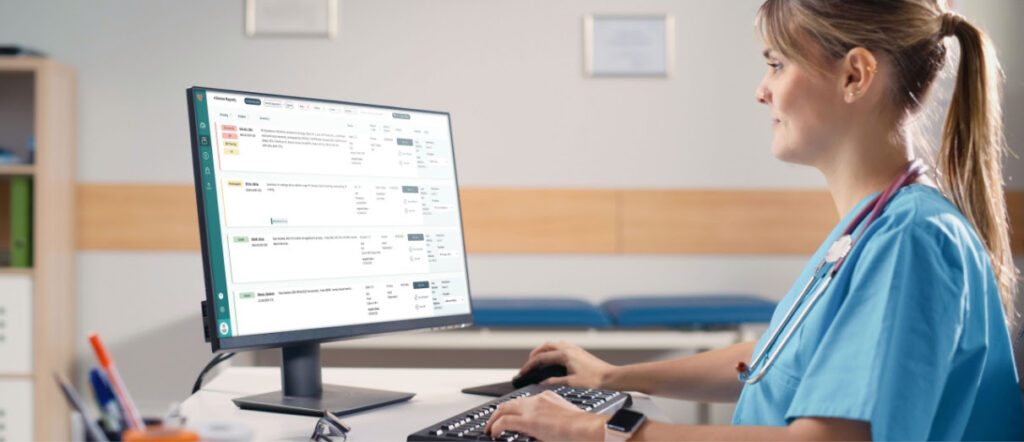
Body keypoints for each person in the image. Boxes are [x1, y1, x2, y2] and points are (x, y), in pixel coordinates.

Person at [484, 0, 1024, 440]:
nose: (761, 89)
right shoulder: (873, 227)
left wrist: (597, 431)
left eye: (777, 64)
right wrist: (610, 376)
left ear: (855, 75)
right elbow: (770, 362)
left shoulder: (910, 238)